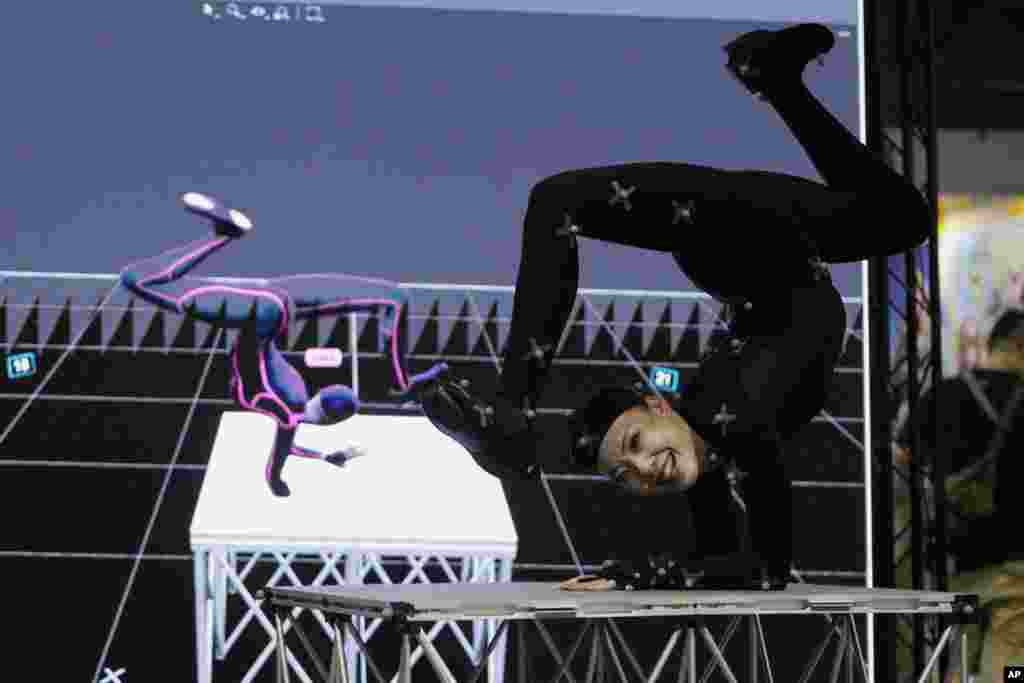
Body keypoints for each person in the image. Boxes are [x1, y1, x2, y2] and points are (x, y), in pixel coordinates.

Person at [417, 22, 931, 590]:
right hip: (763, 255)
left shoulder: (728, 425)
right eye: (625, 474)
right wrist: (628, 577)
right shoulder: (714, 450)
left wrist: (641, 576)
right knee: (901, 219)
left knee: (557, 202)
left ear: (659, 405)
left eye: (633, 445)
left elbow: (763, 571)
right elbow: (730, 565)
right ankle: (776, 79)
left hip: (740, 234)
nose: (641, 469)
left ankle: (510, 418)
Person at [121, 192, 447, 497]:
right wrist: (277, 481)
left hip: (279, 301)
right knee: (135, 279)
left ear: (323, 395)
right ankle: (223, 233)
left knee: (394, 298)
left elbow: (289, 443)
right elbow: (281, 452)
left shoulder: (295, 394)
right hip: (260, 311)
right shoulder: (289, 405)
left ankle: (400, 382)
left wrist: (322, 456)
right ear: (326, 418)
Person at [896, 309, 1024, 682]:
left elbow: (902, 462)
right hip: (1015, 569)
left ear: (990, 344)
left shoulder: (944, 393)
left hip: (950, 561)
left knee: (951, 662)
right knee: (1010, 667)